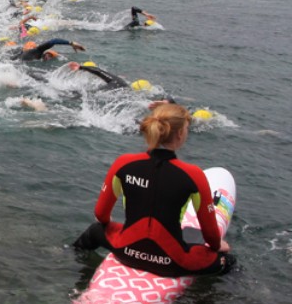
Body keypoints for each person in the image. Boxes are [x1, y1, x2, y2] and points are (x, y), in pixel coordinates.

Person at [73, 103, 235, 277]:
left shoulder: (123, 163)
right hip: (172, 262)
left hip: (125, 251)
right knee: (228, 261)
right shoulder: (193, 174)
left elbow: (101, 214)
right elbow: (210, 236)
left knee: (95, 230)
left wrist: (110, 226)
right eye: (187, 128)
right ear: (180, 134)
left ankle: (69, 257)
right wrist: (217, 246)